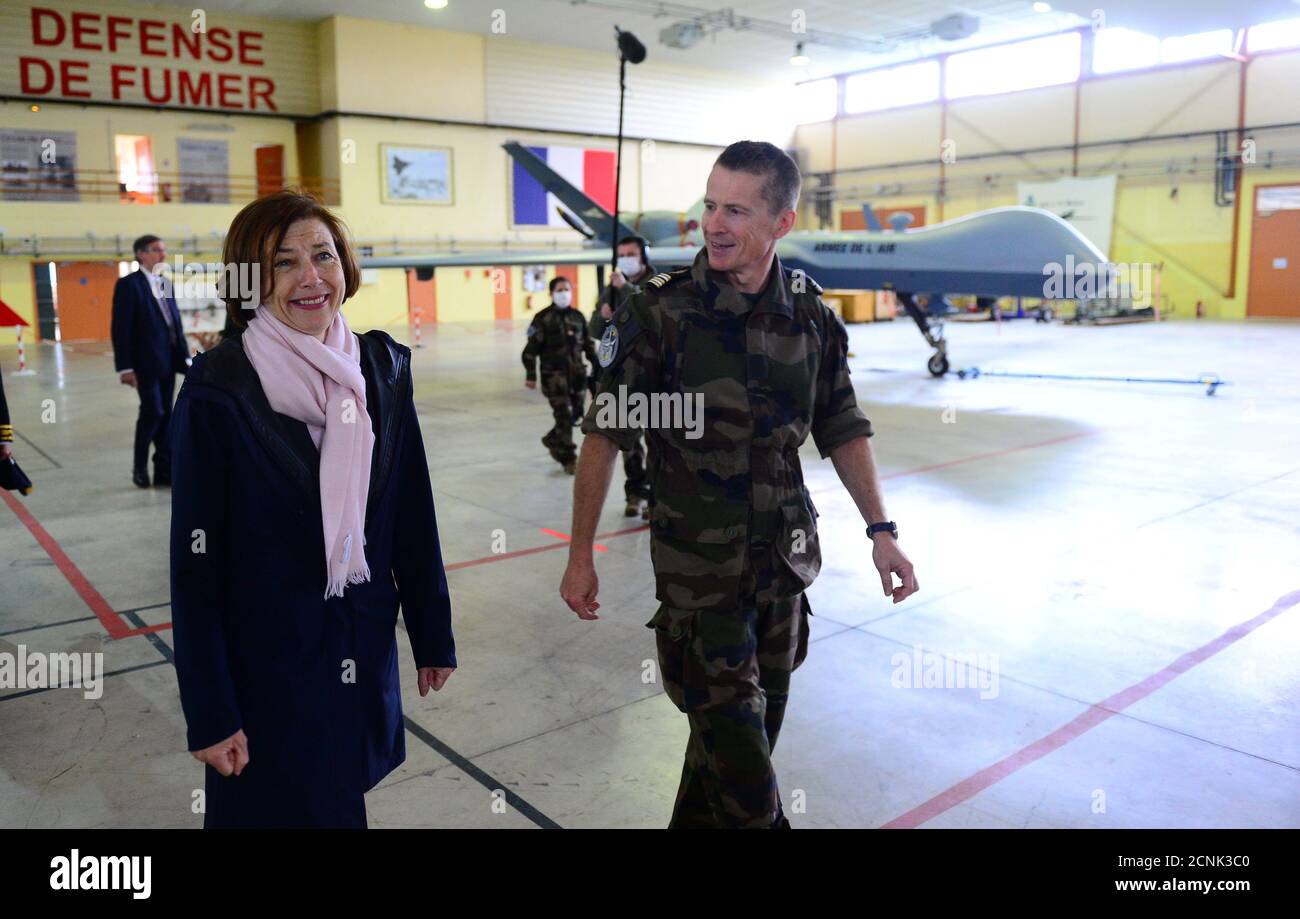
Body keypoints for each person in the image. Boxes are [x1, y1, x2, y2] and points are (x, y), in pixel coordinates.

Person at [561, 141, 919, 828]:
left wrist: (883, 532)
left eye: (736, 210)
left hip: (783, 578)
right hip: (701, 592)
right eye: (709, 205)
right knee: (753, 801)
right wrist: (581, 554)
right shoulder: (657, 314)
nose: (714, 224)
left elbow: (842, 425)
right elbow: (604, 435)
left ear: (781, 223)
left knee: (715, 784)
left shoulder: (811, 317)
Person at [169, 190, 456, 828]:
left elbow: (411, 509)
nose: (310, 278)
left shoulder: (380, 368)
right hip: (264, 673)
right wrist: (212, 712)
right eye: (283, 263)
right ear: (249, 280)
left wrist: (432, 631)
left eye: (323, 255)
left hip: (355, 648)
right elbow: (195, 569)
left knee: (338, 803)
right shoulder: (218, 388)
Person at [111, 235, 192, 488]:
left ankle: (163, 469)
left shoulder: (165, 283)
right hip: (144, 363)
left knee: (167, 415)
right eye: (157, 250)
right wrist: (125, 367)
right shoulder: (128, 285)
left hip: (169, 360)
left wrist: (186, 358)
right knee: (152, 412)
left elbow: (174, 324)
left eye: (164, 250)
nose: (163, 255)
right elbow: (121, 328)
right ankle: (139, 467)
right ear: (141, 254)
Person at [590, 236, 654, 517]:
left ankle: (658, 498)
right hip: (623, 375)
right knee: (628, 441)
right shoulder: (611, 288)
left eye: (632, 254)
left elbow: (651, 313)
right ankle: (636, 492)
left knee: (659, 441)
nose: (626, 258)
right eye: (622, 254)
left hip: (655, 375)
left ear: (643, 256)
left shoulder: (660, 284)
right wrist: (605, 316)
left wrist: (625, 288)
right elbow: (594, 328)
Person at [523, 276, 598, 474]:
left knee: (574, 416)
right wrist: (531, 374)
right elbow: (530, 350)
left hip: (578, 377)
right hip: (554, 378)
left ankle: (552, 439)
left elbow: (588, 345)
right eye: (560, 290)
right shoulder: (542, 318)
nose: (564, 293)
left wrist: (598, 367)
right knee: (563, 415)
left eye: (567, 289)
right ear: (551, 294)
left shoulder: (578, 316)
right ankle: (568, 458)